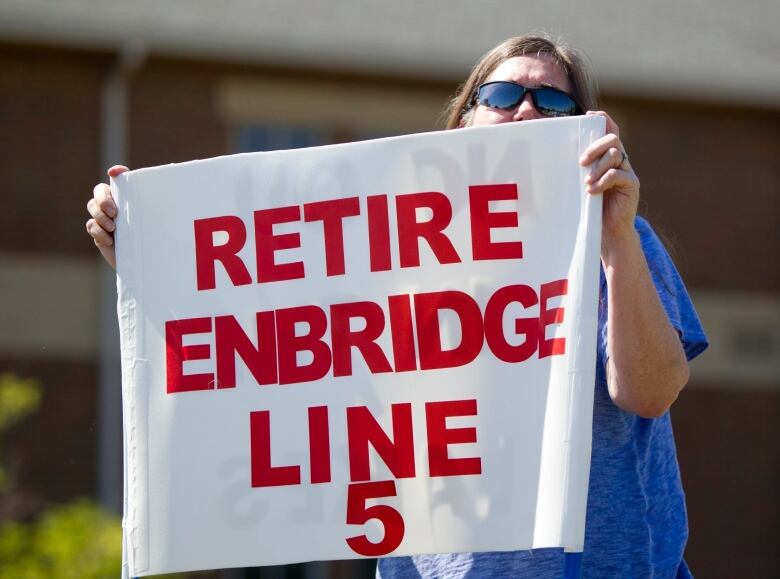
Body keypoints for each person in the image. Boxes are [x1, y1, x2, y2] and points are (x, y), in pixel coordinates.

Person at [86, 34, 708, 579]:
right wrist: (156, 264)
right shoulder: (384, 254)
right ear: (464, 119)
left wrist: (617, 240)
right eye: (501, 96)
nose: (525, 111)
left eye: (554, 103)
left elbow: (650, 392)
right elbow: (265, 338)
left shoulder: (614, 237)